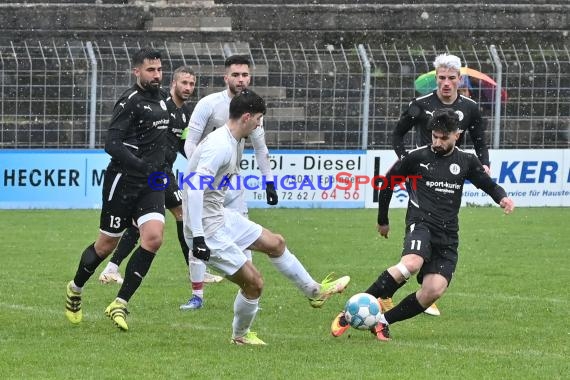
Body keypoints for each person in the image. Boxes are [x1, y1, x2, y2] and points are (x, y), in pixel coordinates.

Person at [183, 89, 350, 345]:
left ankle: (315, 291)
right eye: (259, 118)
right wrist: (199, 238)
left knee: (276, 243)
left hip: (218, 215)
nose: (260, 124)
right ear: (247, 117)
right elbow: (194, 189)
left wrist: (268, 181)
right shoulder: (219, 146)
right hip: (206, 228)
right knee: (255, 284)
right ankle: (240, 336)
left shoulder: (234, 139)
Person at [331, 108, 514, 341]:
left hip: (448, 235)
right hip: (421, 224)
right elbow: (387, 184)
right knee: (411, 262)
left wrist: (502, 197)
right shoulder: (417, 157)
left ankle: (382, 322)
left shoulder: (466, 161)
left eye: (443, 138)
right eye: (434, 136)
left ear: (456, 135)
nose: (437, 142)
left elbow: (487, 184)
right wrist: (383, 220)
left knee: (433, 290)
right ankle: (349, 313)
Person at [65, 47, 169, 331]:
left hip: (152, 182)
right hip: (122, 181)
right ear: (137, 71)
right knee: (106, 244)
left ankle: (119, 303)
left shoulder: (162, 100)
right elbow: (111, 145)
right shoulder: (130, 102)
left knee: (154, 238)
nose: (157, 75)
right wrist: (140, 164)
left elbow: (162, 139)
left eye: (159, 69)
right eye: (151, 70)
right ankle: (75, 289)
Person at [97, 66, 223, 287]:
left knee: (143, 222)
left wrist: (203, 162)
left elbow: (183, 145)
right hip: (154, 172)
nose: (188, 88)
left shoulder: (184, 114)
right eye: (184, 83)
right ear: (173, 84)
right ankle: (196, 270)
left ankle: (112, 268)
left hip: (164, 171)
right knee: (181, 213)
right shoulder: (160, 105)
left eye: (192, 84)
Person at [388, 53, 491, 316]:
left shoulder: (470, 107)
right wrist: (405, 161)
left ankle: (421, 284)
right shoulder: (420, 104)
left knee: (442, 221)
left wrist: (484, 163)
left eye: (451, 78)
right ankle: (407, 284)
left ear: (459, 79)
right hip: (422, 172)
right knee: (425, 221)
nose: (446, 83)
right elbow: (398, 133)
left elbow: (479, 138)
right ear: (436, 78)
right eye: (441, 78)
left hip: (451, 168)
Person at [179, 54, 278, 311]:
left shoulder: (253, 108)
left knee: (244, 233)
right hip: (206, 178)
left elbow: (260, 147)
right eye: (235, 75)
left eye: (245, 74)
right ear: (226, 78)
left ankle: (249, 289)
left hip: (232, 182)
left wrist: (269, 181)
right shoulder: (209, 104)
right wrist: (200, 167)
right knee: (199, 227)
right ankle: (197, 295)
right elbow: (191, 140)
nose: (241, 79)